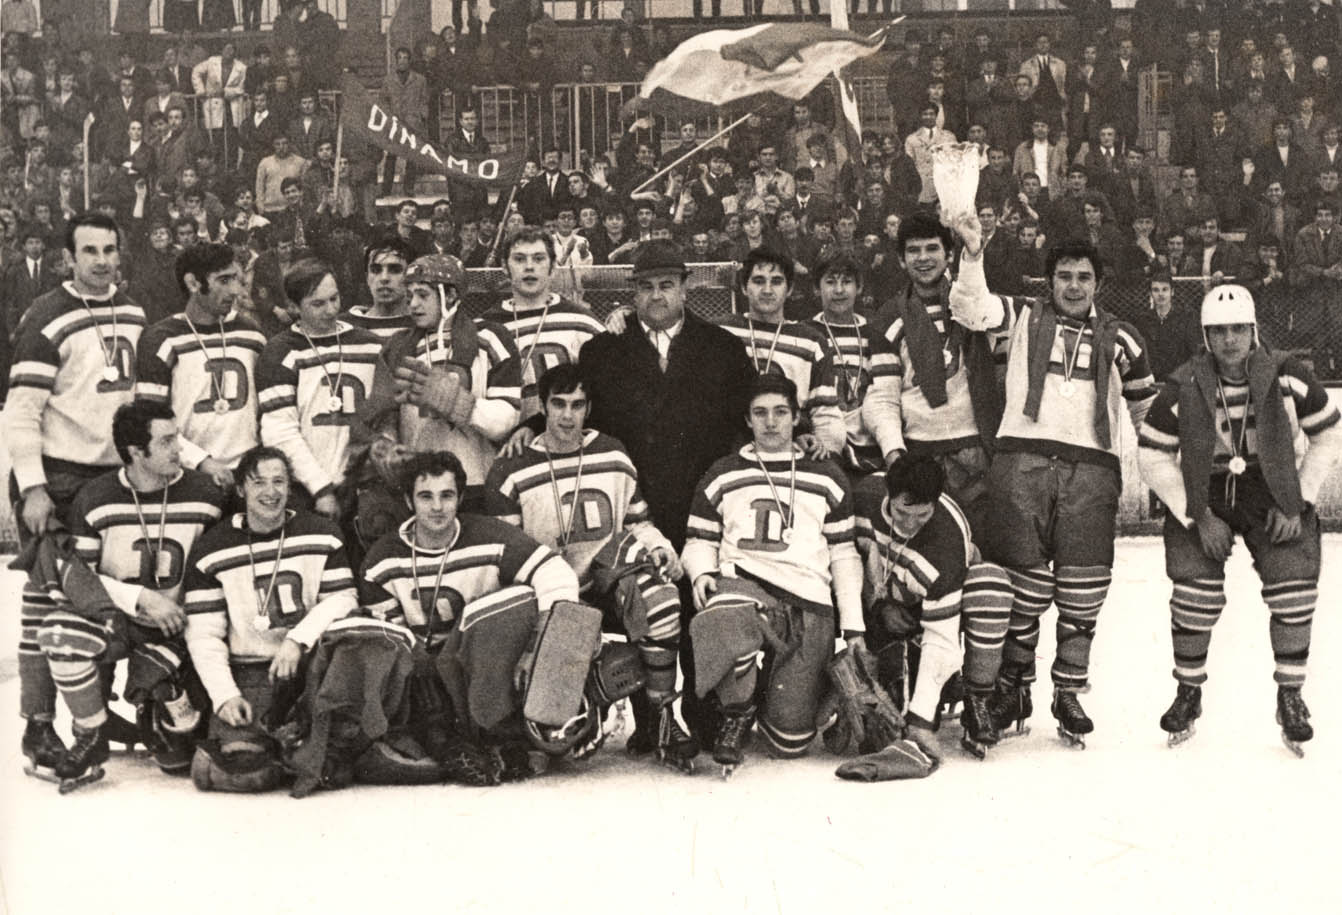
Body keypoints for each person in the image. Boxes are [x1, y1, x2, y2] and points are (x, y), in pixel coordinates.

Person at [1137, 285, 1342, 756]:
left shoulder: (1289, 375)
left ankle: (1291, 696)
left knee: (1293, 585)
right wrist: (1194, 515)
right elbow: (1152, 454)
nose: (1229, 339)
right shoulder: (1185, 381)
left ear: (1253, 330)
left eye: (1237, 329)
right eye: (1218, 330)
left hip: (1272, 488)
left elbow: (1328, 433)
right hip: (1204, 489)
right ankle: (1188, 692)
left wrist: (1299, 503)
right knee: (1194, 592)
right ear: (1205, 335)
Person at [981, 242, 1159, 748]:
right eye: (1064, 276)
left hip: (1092, 470)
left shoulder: (1122, 335)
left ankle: (1068, 690)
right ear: (1049, 281)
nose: (1074, 285)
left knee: (1083, 586)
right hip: (1022, 463)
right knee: (1022, 583)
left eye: (1084, 276)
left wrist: (1167, 476)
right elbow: (972, 304)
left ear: (1097, 284)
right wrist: (973, 252)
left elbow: (1146, 412)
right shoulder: (1019, 318)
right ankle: (1013, 687)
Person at [485, 364, 697, 771]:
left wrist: (660, 547)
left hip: (607, 576)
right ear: (542, 408)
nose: (567, 416)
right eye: (558, 404)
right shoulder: (510, 468)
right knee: (558, 745)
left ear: (589, 408)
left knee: (662, 599)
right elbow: (505, 558)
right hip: (549, 594)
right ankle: (594, 690)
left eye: (577, 405)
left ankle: (662, 717)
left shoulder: (612, 453)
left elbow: (637, 522)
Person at [28, 400, 228, 786]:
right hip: (123, 623)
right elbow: (80, 576)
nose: (179, 450)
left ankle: (162, 704)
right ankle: (92, 734)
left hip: (183, 631)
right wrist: (138, 598)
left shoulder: (206, 494)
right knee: (59, 632)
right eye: (168, 441)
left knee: (177, 757)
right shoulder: (96, 496)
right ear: (137, 452)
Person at [360, 450, 582, 782]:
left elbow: (557, 574)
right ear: (408, 501)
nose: (437, 507)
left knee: (512, 603)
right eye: (426, 497)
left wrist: (538, 648)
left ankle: (501, 738)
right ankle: (456, 743)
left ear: (461, 498)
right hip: (423, 678)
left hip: (477, 662)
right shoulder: (381, 561)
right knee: (394, 657)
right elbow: (394, 644)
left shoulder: (489, 535)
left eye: (447, 496)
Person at [682, 374, 863, 772]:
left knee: (788, 742)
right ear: (747, 420)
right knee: (724, 610)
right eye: (760, 413)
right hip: (746, 584)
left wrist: (853, 628)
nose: (770, 422)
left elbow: (844, 554)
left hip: (807, 602)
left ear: (797, 417)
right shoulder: (723, 473)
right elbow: (699, 540)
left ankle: (788, 693)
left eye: (781, 412)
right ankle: (737, 708)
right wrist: (701, 573)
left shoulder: (827, 475)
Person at [182, 446, 357, 792]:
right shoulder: (212, 547)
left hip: (311, 669)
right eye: (259, 482)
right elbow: (204, 634)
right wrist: (225, 696)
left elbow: (343, 599)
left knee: (338, 764)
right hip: (250, 673)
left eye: (279, 481)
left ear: (290, 487)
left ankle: (295, 751)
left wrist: (297, 640)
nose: (271, 492)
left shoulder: (321, 532)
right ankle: (273, 751)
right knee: (244, 775)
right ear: (241, 489)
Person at [837, 455, 1014, 777]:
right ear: (888, 494)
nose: (908, 524)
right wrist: (862, 623)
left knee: (990, 583)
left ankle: (977, 695)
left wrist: (919, 722)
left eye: (922, 515)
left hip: (928, 619)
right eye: (902, 512)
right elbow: (845, 561)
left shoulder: (944, 543)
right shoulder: (864, 496)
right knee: (876, 730)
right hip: (878, 609)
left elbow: (942, 638)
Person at [354, 254, 519, 544]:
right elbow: (382, 416)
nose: (413, 304)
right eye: (409, 295)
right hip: (421, 487)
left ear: (451, 294)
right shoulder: (396, 347)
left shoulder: (490, 337)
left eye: (422, 295)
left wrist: (458, 403)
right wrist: (387, 446)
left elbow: (506, 420)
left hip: (478, 483)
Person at [864, 213, 1008, 536]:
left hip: (977, 453)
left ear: (949, 255)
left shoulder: (973, 305)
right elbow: (885, 398)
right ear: (901, 260)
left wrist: (974, 253)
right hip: (919, 454)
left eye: (932, 249)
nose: (924, 258)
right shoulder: (889, 317)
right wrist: (895, 457)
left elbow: (991, 318)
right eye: (914, 251)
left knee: (983, 549)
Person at [256, 258, 382, 522]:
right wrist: (320, 489)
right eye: (317, 304)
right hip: (309, 492)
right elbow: (279, 431)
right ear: (293, 306)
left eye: (334, 299)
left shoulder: (370, 346)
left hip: (365, 488)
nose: (330, 310)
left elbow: (386, 415)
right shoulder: (280, 351)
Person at [136, 243, 266, 485]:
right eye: (224, 281)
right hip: (187, 475)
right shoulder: (161, 338)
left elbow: (267, 413)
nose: (236, 290)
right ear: (193, 283)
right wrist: (201, 461)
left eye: (237, 280)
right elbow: (149, 419)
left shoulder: (251, 334)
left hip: (248, 475)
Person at [718, 248, 845, 458]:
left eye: (776, 281)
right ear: (743, 286)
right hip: (729, 449)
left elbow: (826, 413)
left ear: (789, 289)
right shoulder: (721, 331)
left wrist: (824, 449)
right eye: (758, 281)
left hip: (791, 448)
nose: (767, 290)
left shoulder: (812, 342)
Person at [479, 227, 605, 420]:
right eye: (519, 259)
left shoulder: (583, 323)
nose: (529, 267)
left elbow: (605, 393)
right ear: (505, 267)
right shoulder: (485, 328)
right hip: (508, 446)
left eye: (539, 259)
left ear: (553, 266)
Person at [806, 253, 885, 478]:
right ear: (816, 288)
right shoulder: (805, 334)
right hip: (822, 447)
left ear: (859, 287)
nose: (839, 290)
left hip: (872, 444)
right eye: (830, 282)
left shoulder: (875, 333)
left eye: (847, 282)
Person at [1132, 271, 1203, 382]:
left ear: (1172, 292)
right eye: (1156, 290)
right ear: (1150, 294)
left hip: (1179, 379)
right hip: (1153, 379)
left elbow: (1195, 351)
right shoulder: (1143, 320)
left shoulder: (1186, 318)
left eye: (1165, 289)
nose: (1160, 294)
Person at [344, 237, 416, 341]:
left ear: (410, 277)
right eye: (376, 270)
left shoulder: (423, 323)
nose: (384, 278)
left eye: (395, 270)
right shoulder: (345, 326)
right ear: (367, 277)